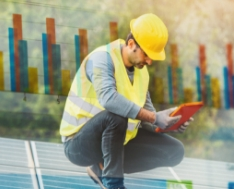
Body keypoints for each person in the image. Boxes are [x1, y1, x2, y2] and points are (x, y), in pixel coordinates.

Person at [59, 13, 193, 189]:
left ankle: (101, 168)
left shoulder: (141, 73)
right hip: (78, 144)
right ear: (131, 45)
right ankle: (113, 184)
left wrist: (169, 123)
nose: (150, 61)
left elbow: (148, 119)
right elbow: (108, 99)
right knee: (115, 116)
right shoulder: (102, 59)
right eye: (147, 54)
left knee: (175, 151)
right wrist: (153, 117)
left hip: (115, 145)